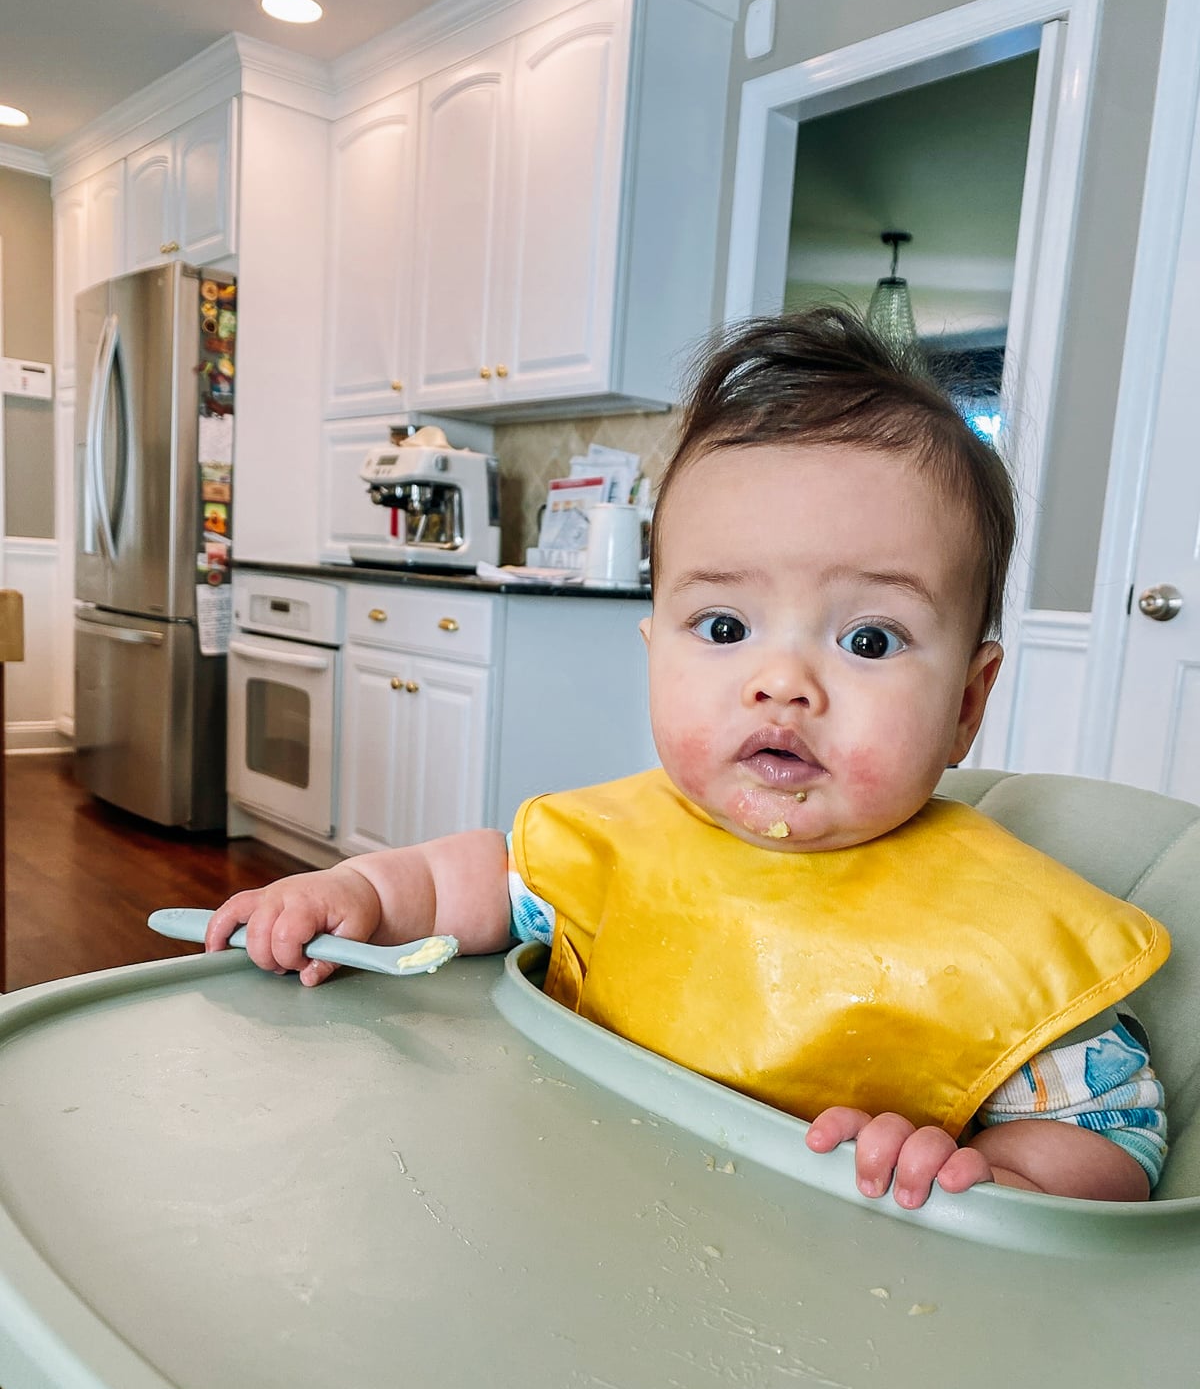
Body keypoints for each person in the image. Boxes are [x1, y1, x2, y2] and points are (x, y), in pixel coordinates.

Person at [207, 307, 1169, 1209]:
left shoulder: (1010, 937)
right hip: (577, 1206)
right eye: (723, 624)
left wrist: (989, 1177)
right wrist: (365, 895)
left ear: (967, 703)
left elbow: (1117, 1137)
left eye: (869, 641)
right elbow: (477, 880)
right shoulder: (615, 845)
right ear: (653, 649)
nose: (781, 682)